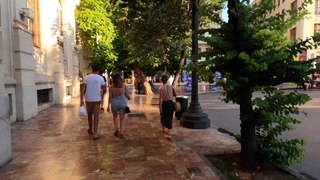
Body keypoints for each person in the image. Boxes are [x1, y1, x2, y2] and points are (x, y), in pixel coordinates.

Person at [80, 66, 106, 140]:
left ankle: (90, 129)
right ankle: (95, 133)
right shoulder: (100, 78)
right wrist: (102, 96)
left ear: (92, 70)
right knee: (96, 116)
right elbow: (104, 89)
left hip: (88, 99)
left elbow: (83, 88)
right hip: (97, 99)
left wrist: (81, 98)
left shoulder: (87, 77)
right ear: (98, 70)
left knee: (89, 115)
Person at [107, 74, 131, 139]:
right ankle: (121, 133)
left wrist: (108, 106)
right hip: (122, 103)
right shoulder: (124, 86)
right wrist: (129, 98)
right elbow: (127, 95)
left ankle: (117, 130)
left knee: (115, 117)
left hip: (114, 103)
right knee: (122, 119)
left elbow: (110, 97)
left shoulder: (111, 87)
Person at [159, 74, 177, 140]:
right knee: (170, 118)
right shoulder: (171, 87)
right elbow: (176, 95)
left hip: (164, 103)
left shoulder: (161, 88)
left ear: (162, 80)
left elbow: (160, 98)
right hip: (170, 103)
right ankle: (169, 134)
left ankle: (163, 128)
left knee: (163, 115)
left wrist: (160, 107)